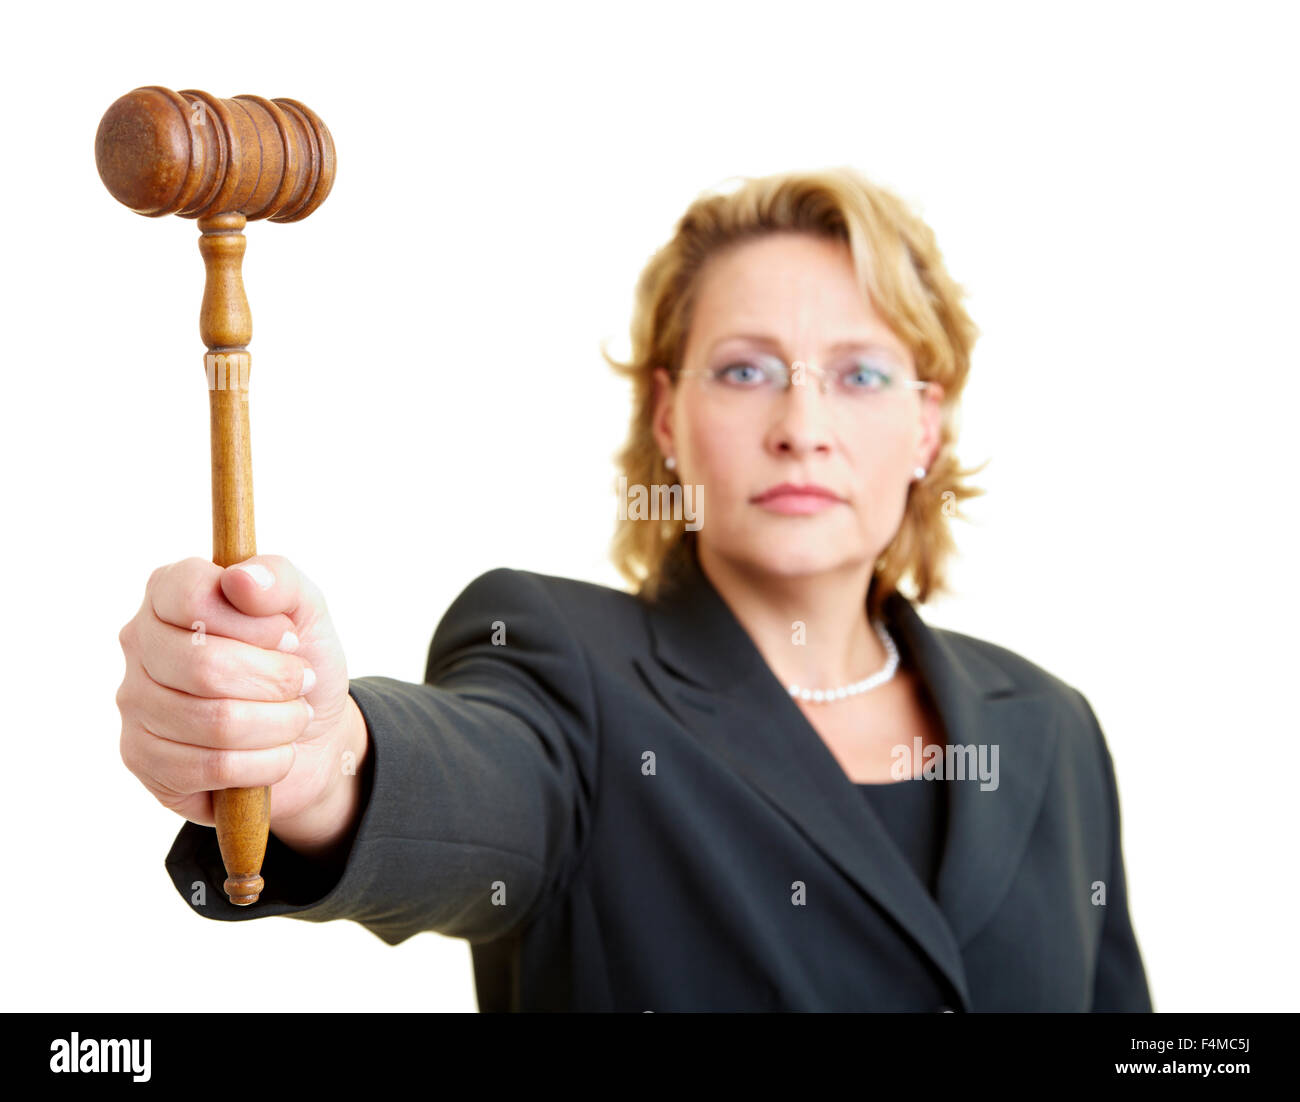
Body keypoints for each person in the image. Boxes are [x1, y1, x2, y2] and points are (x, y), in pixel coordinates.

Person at [116, 166, 1153, 1012]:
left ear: (926, 426)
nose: (801, 424)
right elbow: (475, 781)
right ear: (667, 416)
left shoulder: (1052, 729)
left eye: (861, 373)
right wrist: (317, 756)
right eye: (746, 370)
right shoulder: (565, 668)